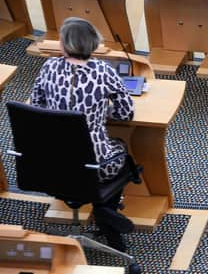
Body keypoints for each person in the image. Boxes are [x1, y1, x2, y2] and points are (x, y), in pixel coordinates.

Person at [30, 17, 135, 250]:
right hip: (94, 165)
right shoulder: (104, 71)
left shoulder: (49, 67)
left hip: (52, 164)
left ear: (65, 44)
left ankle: (102, 211)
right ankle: (104, 211)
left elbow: (36, 105)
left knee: (80, 163)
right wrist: (102, 109)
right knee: (124, 153)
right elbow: (125, 114)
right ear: (93, 43)